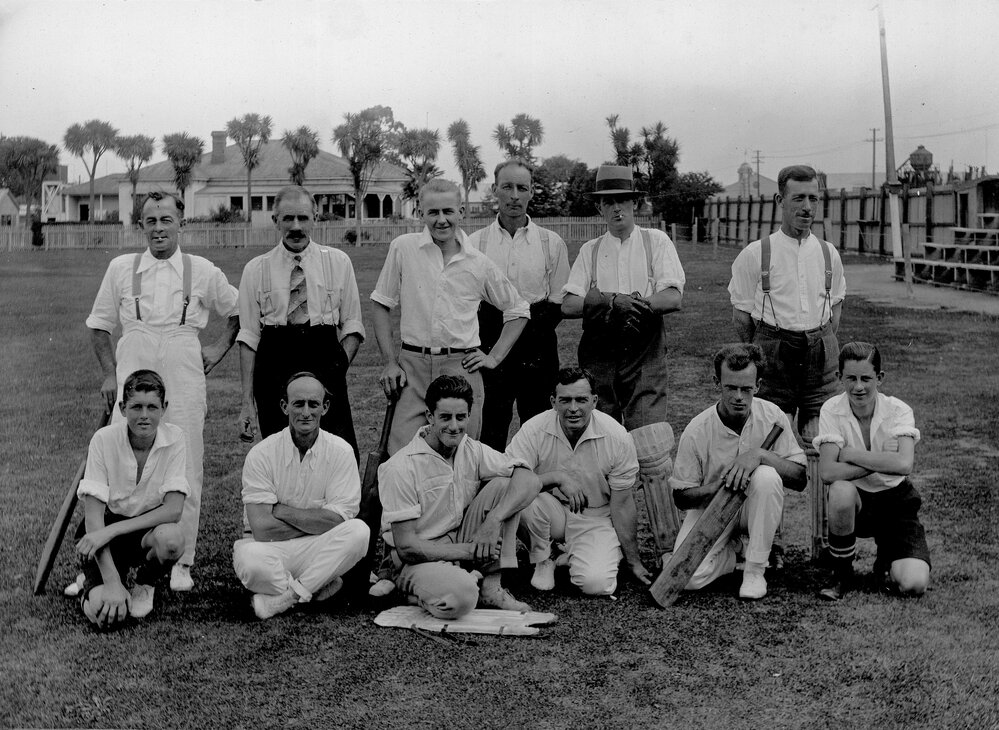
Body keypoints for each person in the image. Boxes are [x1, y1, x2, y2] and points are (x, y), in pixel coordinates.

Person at [84, 190, 239, 593]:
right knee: (118, 461)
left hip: (184, 369)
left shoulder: (202, 270)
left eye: (166, 220)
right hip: (133, 365)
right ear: (141, 226)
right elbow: (99, 325)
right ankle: (102, 561)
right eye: (150, 221)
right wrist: (109, 375)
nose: (158, 229)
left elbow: (239, 311)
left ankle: (181, 559)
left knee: (186, 462)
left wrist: (218, 347)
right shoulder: (121, 268)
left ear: (181, 223)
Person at [371, 178, 529, 455]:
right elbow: (381, 303)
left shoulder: (478, 262)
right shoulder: (403, 248)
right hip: (412, 369)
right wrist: (390, 363)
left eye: (448, 211)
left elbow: (518, 309)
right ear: (421, 213)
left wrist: (494, 357)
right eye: (433, 212)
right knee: (402, 454)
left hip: (461, 369)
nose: (441, 220)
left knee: (460, 455)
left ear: (461, 212)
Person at [378, 374, 542, 619]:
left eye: (461, 417)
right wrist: (468, 551)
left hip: (459, 541)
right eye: (445, 417)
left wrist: (493, 520)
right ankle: (406, 590)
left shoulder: (470, 448)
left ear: (468, 416)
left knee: (505, 485)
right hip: (416, 559)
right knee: (463, 597)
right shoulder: (400, 467)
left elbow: (530, 479)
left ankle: (490, 588)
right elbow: (407, 547)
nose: (454, 427)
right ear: (430, 416)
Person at [236, 185, 364, 460]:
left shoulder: (338, 262)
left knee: (338, 453)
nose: (296, 226)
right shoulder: (256, 269)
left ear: (315, 218)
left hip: (325, 360)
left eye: (303, 218)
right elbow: (248, 338)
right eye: (288, 218)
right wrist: (247, 402)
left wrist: (336, 368)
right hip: (275, 363)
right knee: (280, 455)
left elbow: (353, 325)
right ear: (275, 221)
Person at [669, 344, 806, 600]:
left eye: (746, 388)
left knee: (766, 476)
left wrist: (760, 455)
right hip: (713, 507)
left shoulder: (772, 416)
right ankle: (736, 553)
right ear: (716, 383)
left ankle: (755, 571)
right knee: (690, 578)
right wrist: (718, 487)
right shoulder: (697, 429)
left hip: (757, 506)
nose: (739, 397)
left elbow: (799, 479)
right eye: (731, 387)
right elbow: (681, 497)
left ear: (758, 385)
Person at [232, 372, 369, 620]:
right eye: (298, 404)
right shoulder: (261, 454)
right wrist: (318, 522)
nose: (306, 412)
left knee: (359, 532)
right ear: (285, 406)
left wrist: (282, 511)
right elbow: (261, 529)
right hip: (270, 548)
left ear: (325, 407)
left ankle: (287, 598)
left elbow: (339, 521)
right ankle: (317, 586)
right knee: (249, 560)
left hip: (315, 548)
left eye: (313, 404)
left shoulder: (341, 451)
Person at [728, 164, 847, 440]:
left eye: (813, 198)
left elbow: (835, 310)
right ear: (780, 200)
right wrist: (767, 348)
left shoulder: (828, 253)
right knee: (771, 438)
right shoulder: (755, 254)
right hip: (774, 360)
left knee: (823, 438)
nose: (807, 207)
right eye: (798, 198)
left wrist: (818, 342)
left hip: (820, 363)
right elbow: (741, 318)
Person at [561, 165, 685, 429]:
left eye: (623, 200)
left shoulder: (656, 241)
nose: (617, 208)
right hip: (599, 352)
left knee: (647, 431)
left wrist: (631, 306)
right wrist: (611, 302)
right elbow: (569, 304)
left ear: (635, 203)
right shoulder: (590, 250)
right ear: (600, 208)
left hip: (645, 349)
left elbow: (673, 297)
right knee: (601, 431)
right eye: (608, 202)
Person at [509, 367, 650, 596]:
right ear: (553, 402)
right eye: (565, 400)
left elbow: (623, 504)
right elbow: (511, 479)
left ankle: (583, 552)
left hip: (596, 518)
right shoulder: (534, 429)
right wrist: (557, 478)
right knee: (519, 496)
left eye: (581, 400)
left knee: (596, 584)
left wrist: (634, 561)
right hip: (551, 511)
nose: (573, 408)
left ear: (594, 401)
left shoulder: (616, 436)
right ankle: (545, 556)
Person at [813, 342, 930, 601]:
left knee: (914, 584)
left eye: (866, 378)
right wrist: (883, 459)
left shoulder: (899, 410)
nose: (858, 387)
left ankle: (885, 562)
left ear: (880, 378)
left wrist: (850, 454)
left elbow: (904, 465)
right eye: (851, 378)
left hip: (897, 502)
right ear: (839, 377)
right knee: (841, 490)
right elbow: (828, 472)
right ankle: (841, 572)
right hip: (859, 502)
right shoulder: (831, 409)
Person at [466, 160, 570, 450]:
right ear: (495, 190)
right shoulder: (474, 244)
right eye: (507, 187)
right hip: (490, 340)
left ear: (531, 192)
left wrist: (529, 333)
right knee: (490, 428)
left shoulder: (550, 243)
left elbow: (558, 301)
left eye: (522, 188)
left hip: (537, 344)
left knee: (539, 428)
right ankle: (490, 479)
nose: (514, 195)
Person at [75, 370, 188, 629]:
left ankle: (144, 584)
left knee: (172, 541)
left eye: (152, 407)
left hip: (141, 532)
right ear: (122, 408)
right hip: (103, 535)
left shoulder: (175, 438)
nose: (144, 415)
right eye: (136, 407)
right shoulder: (103, 439)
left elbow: (174, 510)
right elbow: (94, 519)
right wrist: (112, 583)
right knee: (107, 617)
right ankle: (87, 589)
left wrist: (114, 530)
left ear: (164, 408)